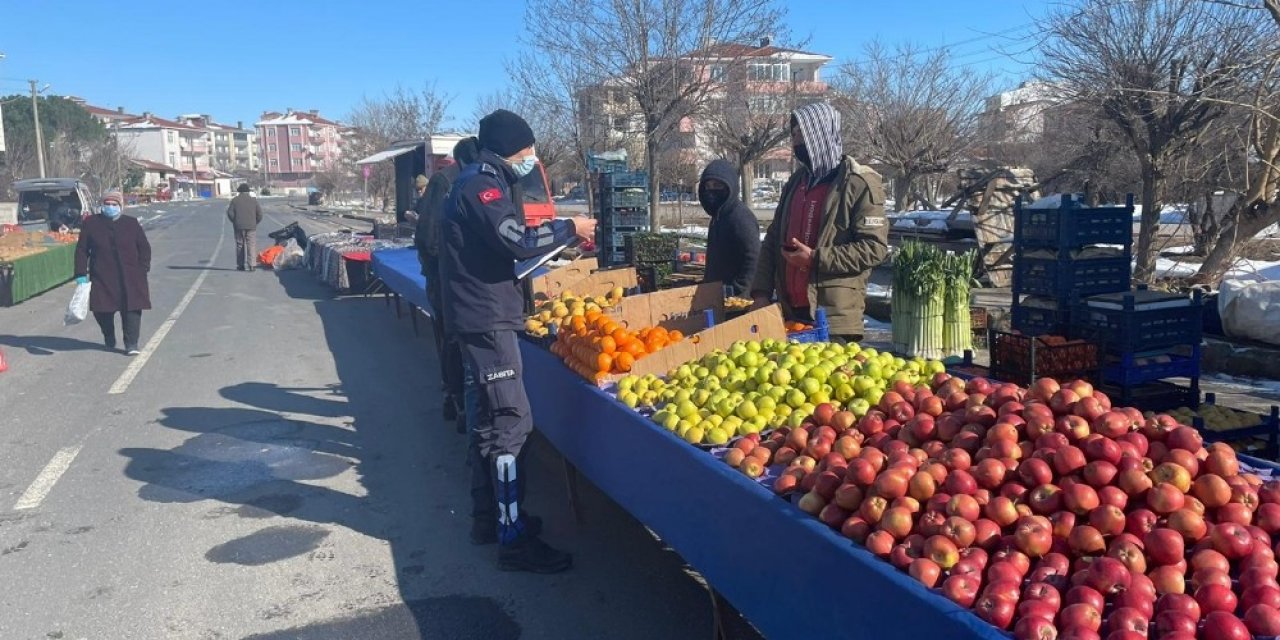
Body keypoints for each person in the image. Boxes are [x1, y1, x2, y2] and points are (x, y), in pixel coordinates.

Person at [439, 109, 596, 572]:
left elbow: (503, 247)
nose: (531, 157)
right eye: (528, 149)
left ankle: (490, 518)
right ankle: (512, 538)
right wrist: (569, 227)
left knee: (491, 422)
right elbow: (515, 239)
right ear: (513, 147)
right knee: (512, 422)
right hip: (486, 321)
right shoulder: (480, 185)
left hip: (482, 315)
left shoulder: (479, 179)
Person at [750, 102, 889, 343]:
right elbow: (773, 240)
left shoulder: (858, 183)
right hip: (791, 313)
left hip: (833, 319)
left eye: (801, 134)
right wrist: (761, 293)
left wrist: (815, 258)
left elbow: (873, 249)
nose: (795, 143)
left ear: (821, 133)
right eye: (793, 135)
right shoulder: (796, 182)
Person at [416, 140, 479, 428]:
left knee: (458, 343)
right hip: (448, 281)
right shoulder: (444, 182)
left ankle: (460, 398)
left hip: (464, 283)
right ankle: (455, 399)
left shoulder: (476, 180)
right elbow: (427, 239)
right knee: (453, 341)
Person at [74, 191, 152, 355]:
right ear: (102, 205)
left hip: (130, 276)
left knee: (132, 309)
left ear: (120, 206)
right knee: (102, 310)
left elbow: (144, 247)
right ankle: (108, 334)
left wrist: (143, 268)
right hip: (102, 276)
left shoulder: (131, 224)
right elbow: (82, 250)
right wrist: (81, 273)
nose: (110, 207)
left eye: (114, 204)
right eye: (107, 204)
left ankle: (131, 344)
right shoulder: (91, 224)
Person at [698, 159, 761, 297]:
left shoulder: (740, 217)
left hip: (737, 303)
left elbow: (754, 257)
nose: (711, 190)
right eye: (707, 186)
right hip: (718, 296)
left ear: (729, 187)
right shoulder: (717, 218)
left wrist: (738, 289)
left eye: (717, 185)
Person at [227, 183, 263, 271]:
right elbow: (260, 214)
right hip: (251, 226)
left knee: (240, 245)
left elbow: (230, 213)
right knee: (251, 244)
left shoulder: (234, 200)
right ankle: (252, 265)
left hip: (238, 226)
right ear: (248, 191)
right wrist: (255, 222)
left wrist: (235, 221)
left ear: (239, 191)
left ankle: (240, 265)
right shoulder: (253, 200)